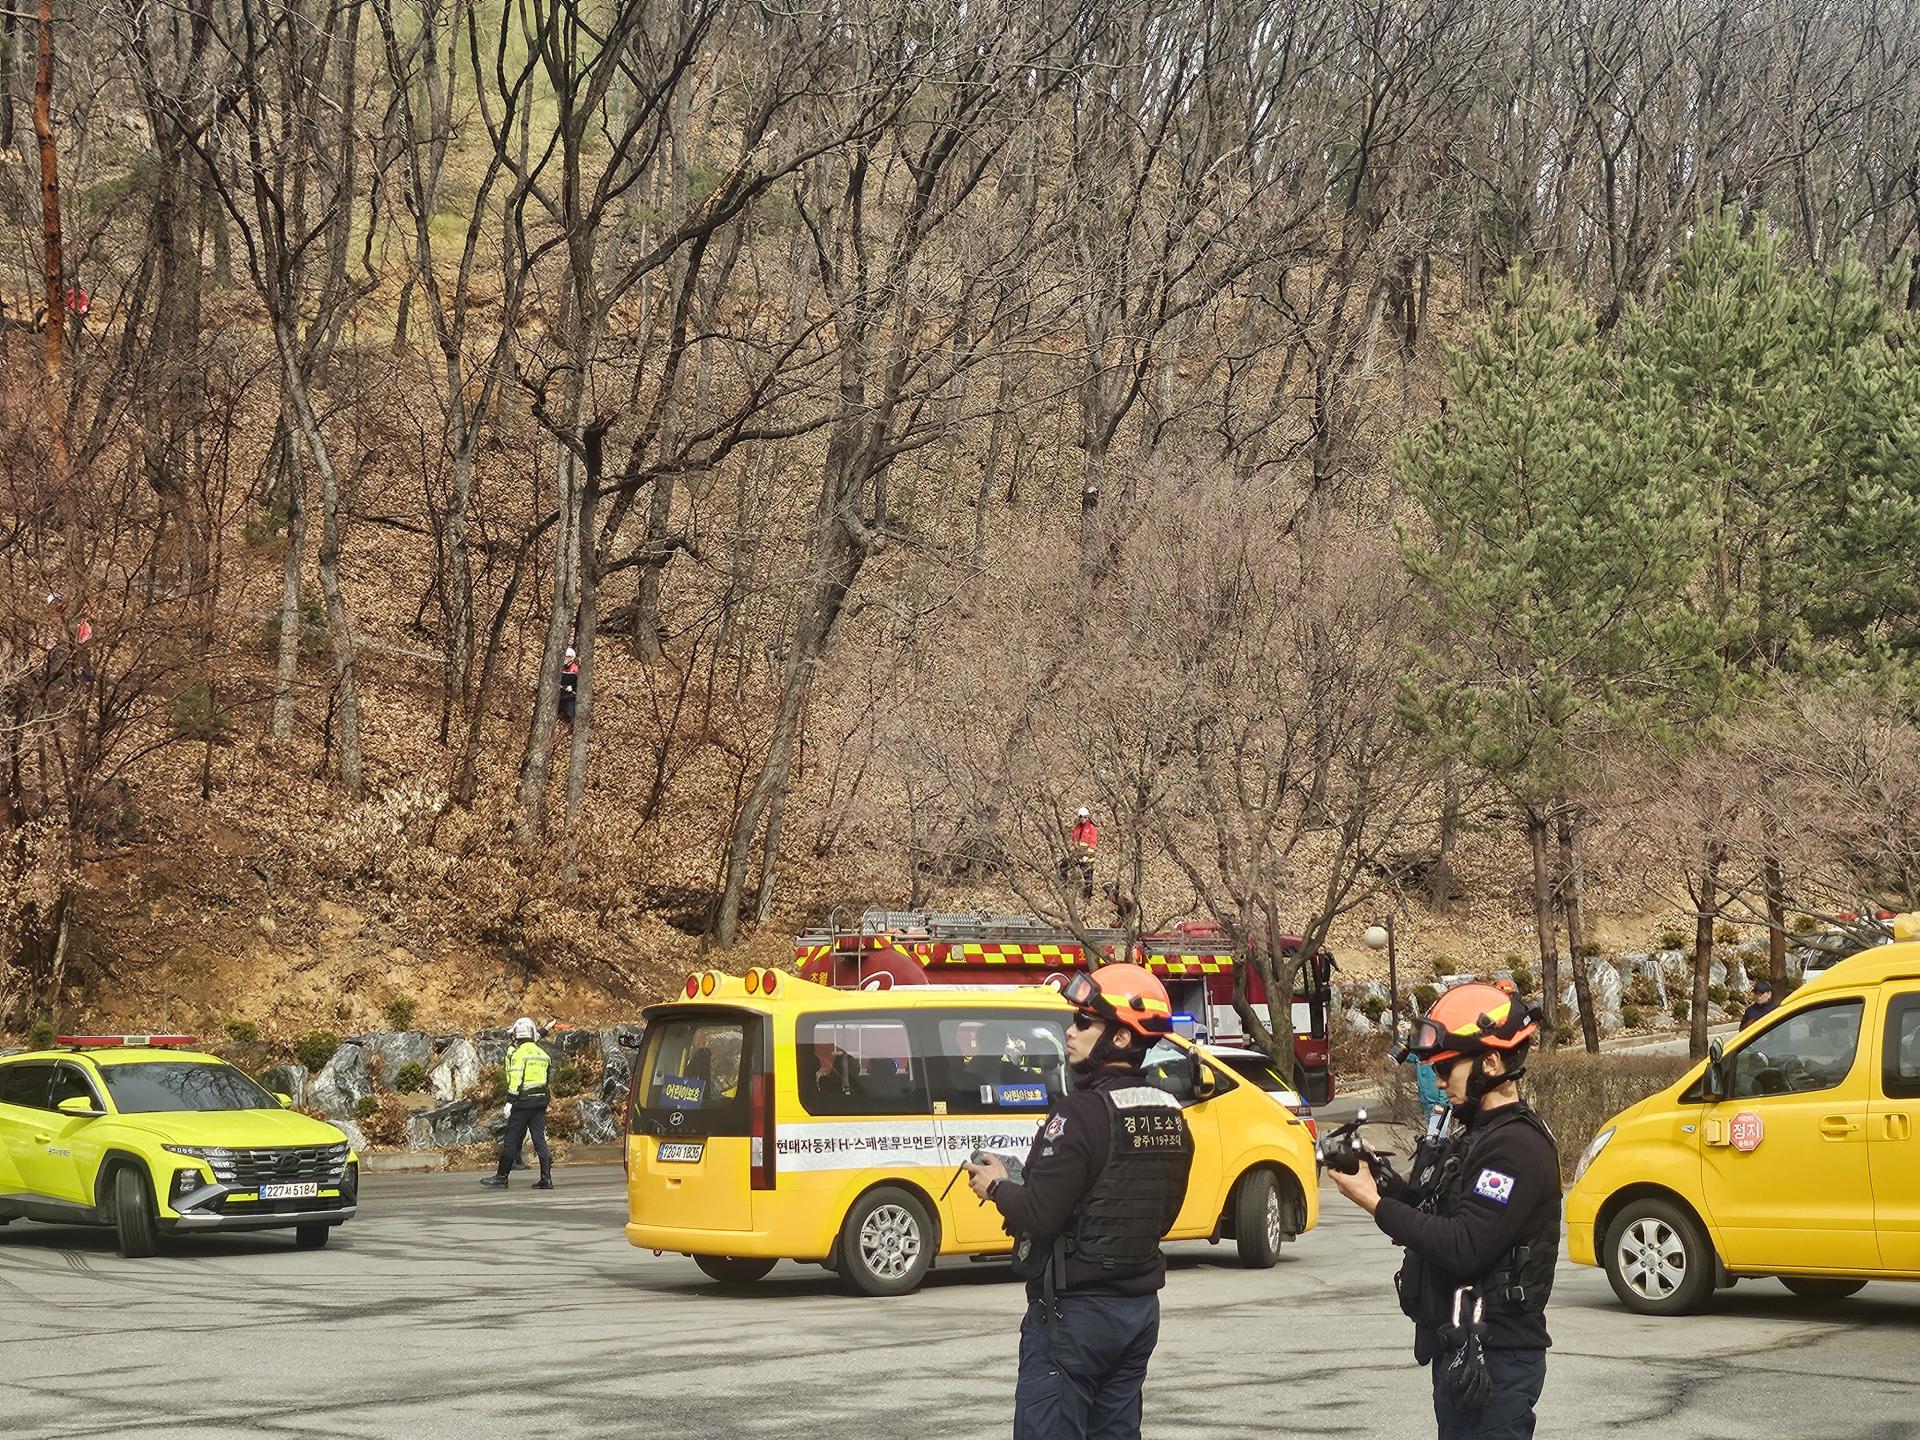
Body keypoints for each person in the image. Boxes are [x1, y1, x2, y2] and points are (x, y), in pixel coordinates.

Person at [965, 964, 1194, 1440]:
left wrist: (996, 1186)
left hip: (1075, 1316)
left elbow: (1041, 1215)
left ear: (1124, 1038)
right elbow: (1161, 1209)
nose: (1070, 1032)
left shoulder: (1080, 1112)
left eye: (1085, 1023)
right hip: (1137, 1312)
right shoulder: (1171, 1112)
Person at [1329, 982, 1560, 1440]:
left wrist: (1373, 1204)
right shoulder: (1476, 1135)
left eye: (1447, 1067)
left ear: (1491, 1062)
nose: (1438, 1081)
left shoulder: (1515, 1147)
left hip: (1496, 1358)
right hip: (1464, 1347)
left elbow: (1464, 1247)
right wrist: (1380, 1177)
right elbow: (1436, 1212)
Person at [481, 1018, 553, 1191]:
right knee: (539, 1140)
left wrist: (509, 1103)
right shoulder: (543, 1054)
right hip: (540, 1102)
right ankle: (546, 1178)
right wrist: (546, 1029)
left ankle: (502, 1177)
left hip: (522, 1103)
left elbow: (515, 1080)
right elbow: (547, 1079)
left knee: (511, 1141)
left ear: (517, 1035)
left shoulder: (518, 1054)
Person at [1059, 806, 1099, 901]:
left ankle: (1087, 897)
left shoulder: (1091, 828)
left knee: (1088, 878)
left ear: (1088, 817)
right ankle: (1064, 886)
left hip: (1087, 856)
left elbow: (1093, 844)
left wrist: (1086, 856)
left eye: (1085, 817)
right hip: (1077, 854)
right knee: (1063, 866)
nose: (1082, 819)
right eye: (1081, 817)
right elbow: (1074, 840)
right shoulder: (1078, 827)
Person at [557, 647, 580, 728]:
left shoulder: (575, 669)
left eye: (568, 657)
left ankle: (572, 726)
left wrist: (572, 687)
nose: (566, 659)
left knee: (570, 713)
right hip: (561, 694)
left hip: (571, 696)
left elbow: (578, 683)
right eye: (565, 656)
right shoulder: (561, 668)